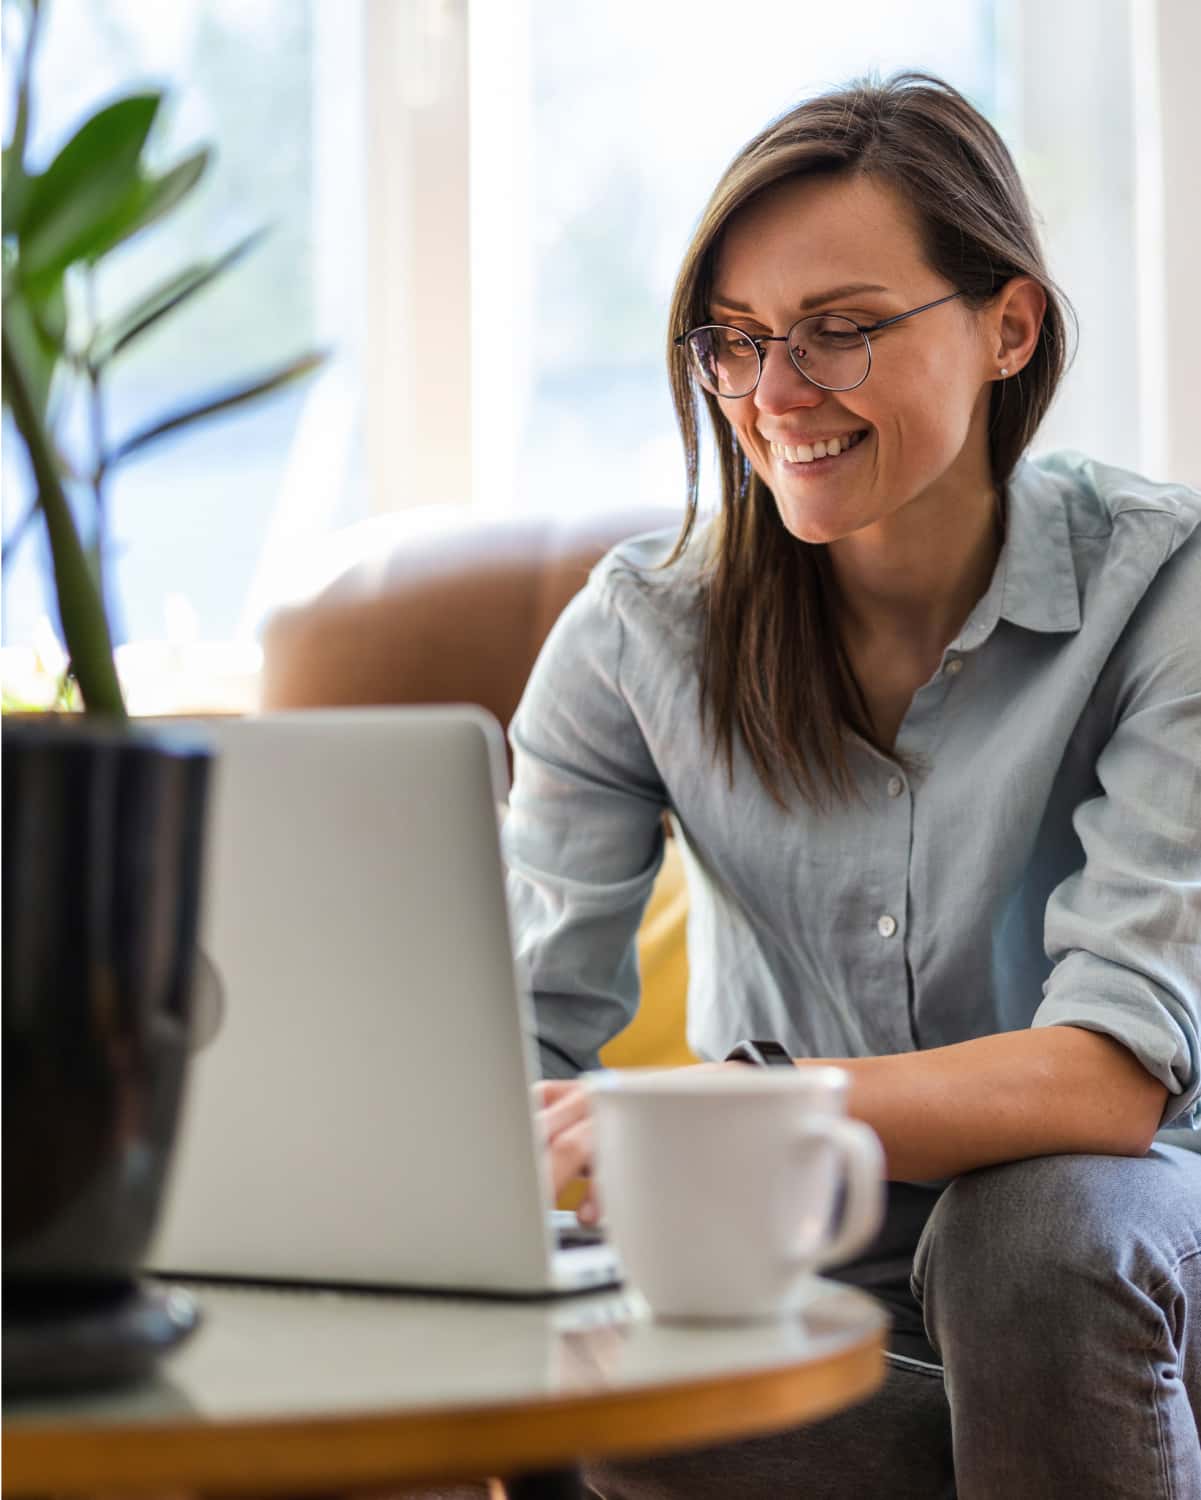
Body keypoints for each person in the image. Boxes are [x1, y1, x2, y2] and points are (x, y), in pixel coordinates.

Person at [501, 72, 1201, 1498]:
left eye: (838, 332)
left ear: (1007, 326)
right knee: (610, 1382)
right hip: (786, 1267)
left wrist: (729, 1111)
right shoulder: (638, 637)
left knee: (1026, 1237)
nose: (773, 398)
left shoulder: (1166, 591)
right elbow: (513, 1042)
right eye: (737, 342)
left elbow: (1111, 1078)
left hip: (1131, 1245)